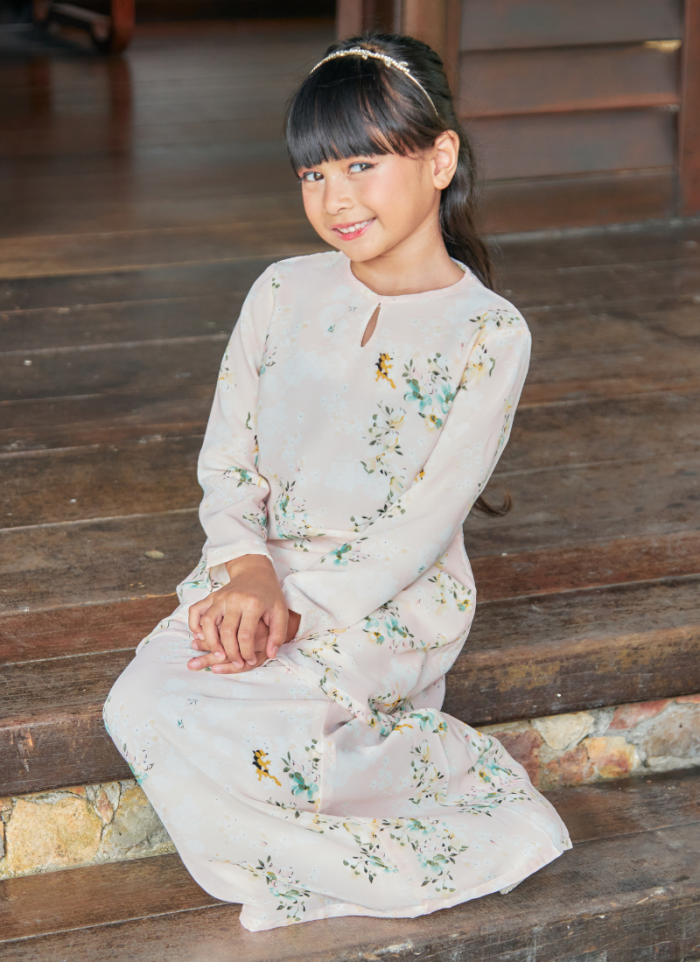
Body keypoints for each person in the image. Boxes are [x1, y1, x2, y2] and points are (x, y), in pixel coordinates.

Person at [103, 33, 571, 932]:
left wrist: (296, 611)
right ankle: (329, 870)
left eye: (362, 164)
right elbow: (227, 460)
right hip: (249, 579)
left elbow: (420, 527)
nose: (336, 198)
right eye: (313, 174)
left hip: (386, 603)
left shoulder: (488, 334)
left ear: (439, 159)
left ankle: (452, 790)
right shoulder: (281, 292)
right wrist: (245, 569)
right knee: (141, 705)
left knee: (243, 726)